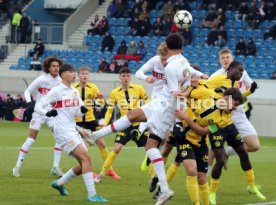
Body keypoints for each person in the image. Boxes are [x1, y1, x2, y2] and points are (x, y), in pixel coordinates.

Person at [78, 33, 207, 205]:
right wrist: (203, 75)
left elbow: (175, 95)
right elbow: (190, 72)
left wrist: (176, 123)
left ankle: (165, 188)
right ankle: (96, 135)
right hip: (161, 104)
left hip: (166, 109)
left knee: (151, 146)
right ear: (182, 48)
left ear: (167, 48)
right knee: (132, 116)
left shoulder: (170, 68)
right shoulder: (183, 60)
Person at [34, 64, 108, 203]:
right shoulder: (55, 91)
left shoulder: (74, 92)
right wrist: (47, 112)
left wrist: (85, 109)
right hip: (62, 132)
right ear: (62, 75)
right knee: (87, 159)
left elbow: (78, 112)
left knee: (83, 165)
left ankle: (59, 183)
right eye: (71, 72)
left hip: (72, 130)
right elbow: (38, 105)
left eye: (74, 72)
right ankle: (92, 194)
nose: (74, 74)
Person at [92, 67, 149, 183]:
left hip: (139, 125)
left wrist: (147, 112)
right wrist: (105, 125)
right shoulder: (114, 93)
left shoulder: (139, 88)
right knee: (116, 149)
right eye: (123, 76)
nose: (126, 78)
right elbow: (109, 110)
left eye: (128, 76)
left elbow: (148, 101)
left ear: (131, 77)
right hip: (125, 125)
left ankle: (153, 177)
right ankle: (101, 174)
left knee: (150, 149)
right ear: (120, 78)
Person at [12, 56, 64, 177]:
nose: (56, 68)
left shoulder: (61, 81)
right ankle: (17, 167)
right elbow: (27, 91)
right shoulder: (42, 79)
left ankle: (55, 167)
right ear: (48, 68)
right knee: (31, 139)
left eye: (57, 66)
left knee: (60, 137)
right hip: (39, 112)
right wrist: (30, 103)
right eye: (53, 66)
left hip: (52, 114)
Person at [209, 49, 260, 156]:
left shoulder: (242, 72)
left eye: (227, 57)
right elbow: (207, 93)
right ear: (219, 61)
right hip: (222, 115)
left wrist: (252, 88)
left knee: (254, 145)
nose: (225, 60)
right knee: (213, 151)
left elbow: (251, 85)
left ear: (232, 59)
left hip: (239, 115)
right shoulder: (215, 76)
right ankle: (205, 171)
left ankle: (227, 153)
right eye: (223, 58)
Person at [72, 67, 120, 179]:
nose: (84, 76)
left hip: (91, 121)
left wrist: (101, 99)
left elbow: (100, 105)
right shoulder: (73, 88)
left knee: (102, 144)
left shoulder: (93, 88)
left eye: (86, 74)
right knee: (84, 149)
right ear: (78, 75)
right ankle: (86, 170)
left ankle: (109, 170)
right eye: (82, 74)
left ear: (89, 76)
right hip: (78, 122)